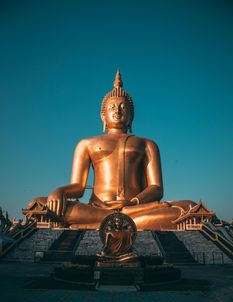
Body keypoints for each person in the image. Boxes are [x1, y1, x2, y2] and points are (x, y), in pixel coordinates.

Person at [29, 70, 195, 230]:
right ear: (103, 116)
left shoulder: (147, 144)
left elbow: (157, 188)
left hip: (136, 209)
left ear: (131, 117)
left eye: (123, 107)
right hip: (98, 208)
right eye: (112, 107)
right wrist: (59, 192)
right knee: (40, 203)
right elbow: (78, 187)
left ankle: (105, 222)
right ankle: (122, 222)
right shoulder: (86, 143)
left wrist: (134, 203)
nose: (117, 110)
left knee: (188, 207)